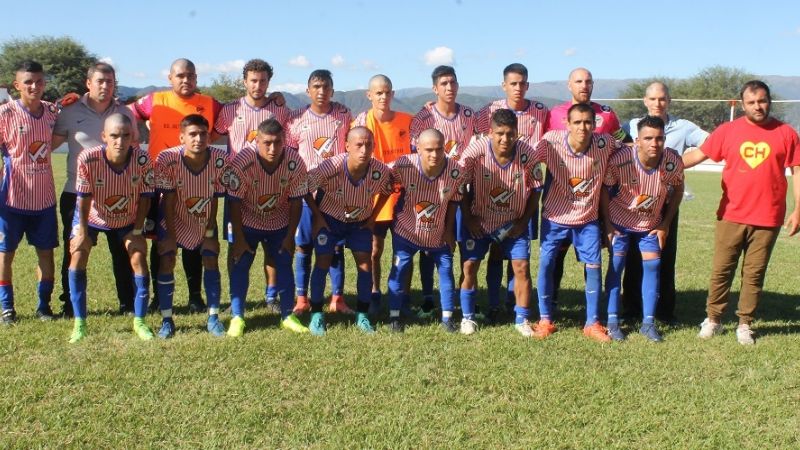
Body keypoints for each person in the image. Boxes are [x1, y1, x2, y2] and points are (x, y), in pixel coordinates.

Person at [683, 80, 800, 345]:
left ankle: (745, 324)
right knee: (722, 270)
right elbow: (699, 154)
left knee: (754, 273)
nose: (758, 106)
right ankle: (713, 319)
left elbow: (797, 171)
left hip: (768, 218)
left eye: (762, 100)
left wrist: (798, 210)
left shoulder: (787, 134)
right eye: (752, 102)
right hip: (731, 215)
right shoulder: (728, 131)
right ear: (743, 104)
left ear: (769, 101)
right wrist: (665, 165)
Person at [132, 58, 222, 314]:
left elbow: (236, 112)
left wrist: (275, 100)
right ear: (170, 77)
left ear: (196, 78)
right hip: (158, 185)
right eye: (180, 75)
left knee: (194, 244)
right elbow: (127, 112)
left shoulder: (209, 103)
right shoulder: (155, 100)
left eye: (191, 76)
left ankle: (195, 296)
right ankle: (159, 298)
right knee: (159, 242)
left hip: (196, 183)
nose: (186, 80)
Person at [52, 62, 139, 317]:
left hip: (118, 193)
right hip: (76, 193)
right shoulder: (69, 112)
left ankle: (128, 303)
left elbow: (132, 147)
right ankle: (69, 304)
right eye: (100, 81)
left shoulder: (125, 112)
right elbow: (48, 144)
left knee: (122, 251)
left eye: (110, 82)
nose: (105, 86)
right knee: (76, 249)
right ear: (88, 83)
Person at [622, 82, 709, 324]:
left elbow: (710, 144)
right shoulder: (631, 126)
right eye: (653, 99)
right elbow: (617, 149)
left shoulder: (683, 127)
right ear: (645, 101)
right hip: (636, 203)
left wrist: (678, 163)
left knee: (666, 255)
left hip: (667, 201)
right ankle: (630, 309)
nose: (657, 103)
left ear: (668, 100)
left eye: (662, 99)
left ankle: (664, 312)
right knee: (632, 258)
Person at [533, 103, 619, 342]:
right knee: (547, 264)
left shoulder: (604, 144)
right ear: (567, 124)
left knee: (594, 266)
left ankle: (592, 323)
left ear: (595, 124)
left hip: (587, 220)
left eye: (588, 122)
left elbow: (629, 150)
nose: (583, 127)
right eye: (577, 122)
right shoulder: (551, 141)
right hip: (555, 218)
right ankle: (545, 319)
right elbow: (525, 156)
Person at [545, 68, 629, 307]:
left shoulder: (607, 115)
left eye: (588, 81)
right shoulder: (554, 114)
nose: (584, 85)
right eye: (579, 81)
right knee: (556, 254)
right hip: (560, 197)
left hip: (595, 196)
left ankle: (592, 305)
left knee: (592, 253)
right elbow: (543, 147)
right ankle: (551, 300)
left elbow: (625, 143)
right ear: (568, 85)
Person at [67, 113, 155, 342]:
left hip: (127, 221)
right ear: (104, 136)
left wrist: (137, 232)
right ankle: (80, 323)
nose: (120, 141)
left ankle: (140, 321)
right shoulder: (88, 158)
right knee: (77, 255)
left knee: (138, 258)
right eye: (114, 136)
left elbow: (145, 198)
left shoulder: (142, 160)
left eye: (126, 135)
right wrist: (83, 233)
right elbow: (84, 199)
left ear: (133, 136)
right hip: (93, 218)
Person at [213, 58, 291, 313]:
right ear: (244, 81)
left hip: (270, 186)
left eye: (263, 81)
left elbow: (285, 142)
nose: (258, 85)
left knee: (271, 244)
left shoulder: (278, 109)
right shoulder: (229, 110)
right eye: (253, 80)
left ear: (269, 82)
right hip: (237, 188)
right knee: (235, 244)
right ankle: (235, 297)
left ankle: (271, 296)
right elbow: (213, 136)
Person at [474, 63, 550, 321]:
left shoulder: (541, 111)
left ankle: (512, 302)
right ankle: (495, 303)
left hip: (524, 187)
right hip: (493, 187)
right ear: (504, 85)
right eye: (513, 83)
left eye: (522, 83)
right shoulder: (488, 112)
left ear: (528, 85)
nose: (518, 88)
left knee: (518, 253)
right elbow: (476, 139)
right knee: (497, 251)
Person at [601, 115, 684, 342]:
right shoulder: (620, 160)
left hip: (649, 225)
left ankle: (648, 323)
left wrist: (665, 224)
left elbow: (678, 190)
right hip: (620, 223)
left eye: (659, 138)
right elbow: (605, 191)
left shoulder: (672, 161)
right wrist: (607, 225)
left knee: (654, 264)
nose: (654, 143)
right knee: (617, 265)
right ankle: (612, 320)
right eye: (648, 138)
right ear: (637, 140)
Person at [458, 109, 540, 336]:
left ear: (517, 133)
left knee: (522, 267)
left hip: (512, 222)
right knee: (469, 266)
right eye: (500, 133)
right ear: (490, 132)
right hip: (480, 220)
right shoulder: (476, 151)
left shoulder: (527, 153)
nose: (505, 139)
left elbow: (535, 190)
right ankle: (468, 317)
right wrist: (468, 218)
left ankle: (521, 319)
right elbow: (460, 185)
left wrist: (524, 222)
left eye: (510, 134)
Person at [304, 127, 392, 336]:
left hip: (359, 223)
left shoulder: (380, 171)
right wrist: (317, 217)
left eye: (368, 145)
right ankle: (316, 314)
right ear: (347, 146)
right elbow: (305, 187)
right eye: (359, 145)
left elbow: (387, 192)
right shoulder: (331, 166)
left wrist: (372, 218)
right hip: (330, 220)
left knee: (365, 263)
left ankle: (362, 315)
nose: (364, 150)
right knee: (323, 261)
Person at [226, 118, 308, 337]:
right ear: (257, 141)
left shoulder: (294, 161)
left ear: (284, 141)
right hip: (247, 221)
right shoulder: (243, 160)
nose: (272, 149)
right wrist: (240, 238)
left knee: (283, 264)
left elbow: (296, 200)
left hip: (278, 221)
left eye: (278, 143)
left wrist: (290, 235)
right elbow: (233, 201)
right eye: (267, 143)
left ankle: (287, 315)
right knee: (240, 265)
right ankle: (237, 316)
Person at [410, 65, 476, 316]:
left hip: (464, 190)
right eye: (444, 83)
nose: (449, 88)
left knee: (463, 244)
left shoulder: (470, 115)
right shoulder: (424, 117)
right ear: (435, 88)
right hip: (434, 191)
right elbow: (415, 153)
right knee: (430, 244)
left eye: (453, 83)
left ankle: (465, 295)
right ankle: (428, 296)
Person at [287, 69, 353, 315]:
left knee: (335, 247)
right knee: (303, 247)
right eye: (316, 87)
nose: (321, 92)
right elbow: (290, 155)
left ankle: (337, 298)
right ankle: (301, 298)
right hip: (306, 195)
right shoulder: (296, 118)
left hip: (336, 195)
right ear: (308, 91)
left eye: (326, 87)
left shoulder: (343, 115)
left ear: (333, 90)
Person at [154, 115, 226, 338]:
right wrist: (170, 237)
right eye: (192, 134)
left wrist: (210, 232)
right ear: (182, 137)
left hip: (203, 219)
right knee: (167, 259)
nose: (198, 139)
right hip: (173, 217)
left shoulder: (219, 159)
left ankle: (213, 317)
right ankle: (167, 320)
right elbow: (168, 199)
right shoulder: (167, 158)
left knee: (211, 256)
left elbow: (214, 198)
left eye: (203, 134)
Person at [0, 60, 59, 324]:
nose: (34, 86)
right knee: (5, 254)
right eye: (28, 82)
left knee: (46, 254)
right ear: (17, 86)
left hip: (44, 200)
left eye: (39, 82)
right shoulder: (5, 114)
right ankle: (6, 308)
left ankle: (43, 306)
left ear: (44, 83)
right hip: (11, 199)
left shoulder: (51, 112)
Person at [386, 129, 463, 333]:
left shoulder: (455, 171)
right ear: (417, 148)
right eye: (428, 150)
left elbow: (455, 200)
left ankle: (447, 318)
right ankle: (394, 316)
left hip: (437, 234)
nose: (434, 155)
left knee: (446, 270)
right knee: (399, 268)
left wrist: (449, 230)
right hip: (406, 230)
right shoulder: (404, 164)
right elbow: (382, 178)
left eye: (439, 149)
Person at [351, 74, 413, 316]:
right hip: (375, 198)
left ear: (393, 94)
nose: (383, 97)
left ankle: (403, 295)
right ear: (369, 95)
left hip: (403, 198)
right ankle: (375, 292)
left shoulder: (408, 121)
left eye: (387, 92)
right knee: (375, 249)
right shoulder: (361, 122)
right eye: (378, 93)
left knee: (404, 251)